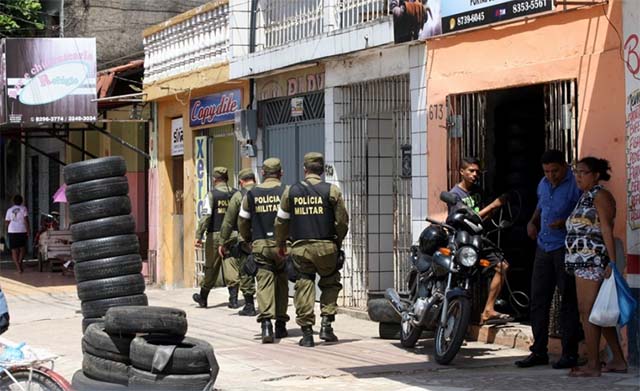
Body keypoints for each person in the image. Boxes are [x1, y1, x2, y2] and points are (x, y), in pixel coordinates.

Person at [515, 150, 582, 369]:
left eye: (555, 171)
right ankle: (539, 351)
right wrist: (532, 222)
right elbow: (540, 205)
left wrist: (566, 222)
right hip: (543, 246)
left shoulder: (576, 183)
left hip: (565, 247)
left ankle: (569, 353)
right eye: (547, 171)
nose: (551, 175)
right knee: (538, 300)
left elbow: (586, 211)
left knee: (567, 302)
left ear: (564, 166)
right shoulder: (543, 184)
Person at [274, 152, 349, 347]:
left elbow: (281, 221)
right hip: (326, 247)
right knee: (330, 283)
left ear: (304, 169)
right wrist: (337, 242)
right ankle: (326, 325)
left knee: (304, 284)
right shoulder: (332, 191)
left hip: (300, 249)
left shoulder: (290, 192)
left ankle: (307, 334)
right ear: (322, 170)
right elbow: (342, 221)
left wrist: (281, 243)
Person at [564, 157, 626, 377]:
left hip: (593, 262)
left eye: (583, 172)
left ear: (596, 174)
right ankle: (618, 360)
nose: (578, 176)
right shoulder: (585, 197)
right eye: (576, 172)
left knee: (588, 312)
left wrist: (612, 262)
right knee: (599, 313)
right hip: (581, 263)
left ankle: (593, 364)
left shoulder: (600, 196)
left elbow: (607, 229)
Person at [448, 157, 512, 325]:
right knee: (457, 279)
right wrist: (493, 205)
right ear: (462, 172)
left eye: (477, 171)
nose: (475, 174)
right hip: (463, 241)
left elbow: (482, 218)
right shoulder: (455, 195)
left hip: (479, 239)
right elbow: (469, 217)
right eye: (471, 171)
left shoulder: (478, 191)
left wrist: (495, 210)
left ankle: (488, 310)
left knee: (502, 266)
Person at [238, 158, 289, 343]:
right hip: (283, 246)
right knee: (282, 284)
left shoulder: (251, 194)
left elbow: (243, 220)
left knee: (264, 283)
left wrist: (248, 240)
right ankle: (281, 325)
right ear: (281, 173)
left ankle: (266, 325)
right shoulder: (287, 191)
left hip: (260, 245)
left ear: (262, 173)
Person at [194, 167, 239, 309]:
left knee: (211, 267)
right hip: (233, 234)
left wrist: (198, 235)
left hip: (215, 235)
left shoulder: (212, 195)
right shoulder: (236, 193)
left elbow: (206, 216)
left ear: (215, 179)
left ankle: (203, 297)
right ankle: (233, 299)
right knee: (231, 264)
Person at [218, 168, 258, 316]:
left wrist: (222, 242)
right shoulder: (262, 192)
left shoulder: (239, 196)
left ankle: (249, 305)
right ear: (254, 179)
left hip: (246, 240)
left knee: (246, 271)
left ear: (241, 182)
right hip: (267, 239)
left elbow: (228, 221)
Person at [4, 195, 29, 273]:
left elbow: (7, 222)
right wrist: (28, 230)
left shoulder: (9, 210)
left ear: (13, 201)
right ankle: (20, 263)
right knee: (22, 249)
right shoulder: (24, 208)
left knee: (14, 250)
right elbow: (26, 220)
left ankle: (18, 267)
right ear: (21, 201)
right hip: (22, 230)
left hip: (12, 231)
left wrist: (6, 231)